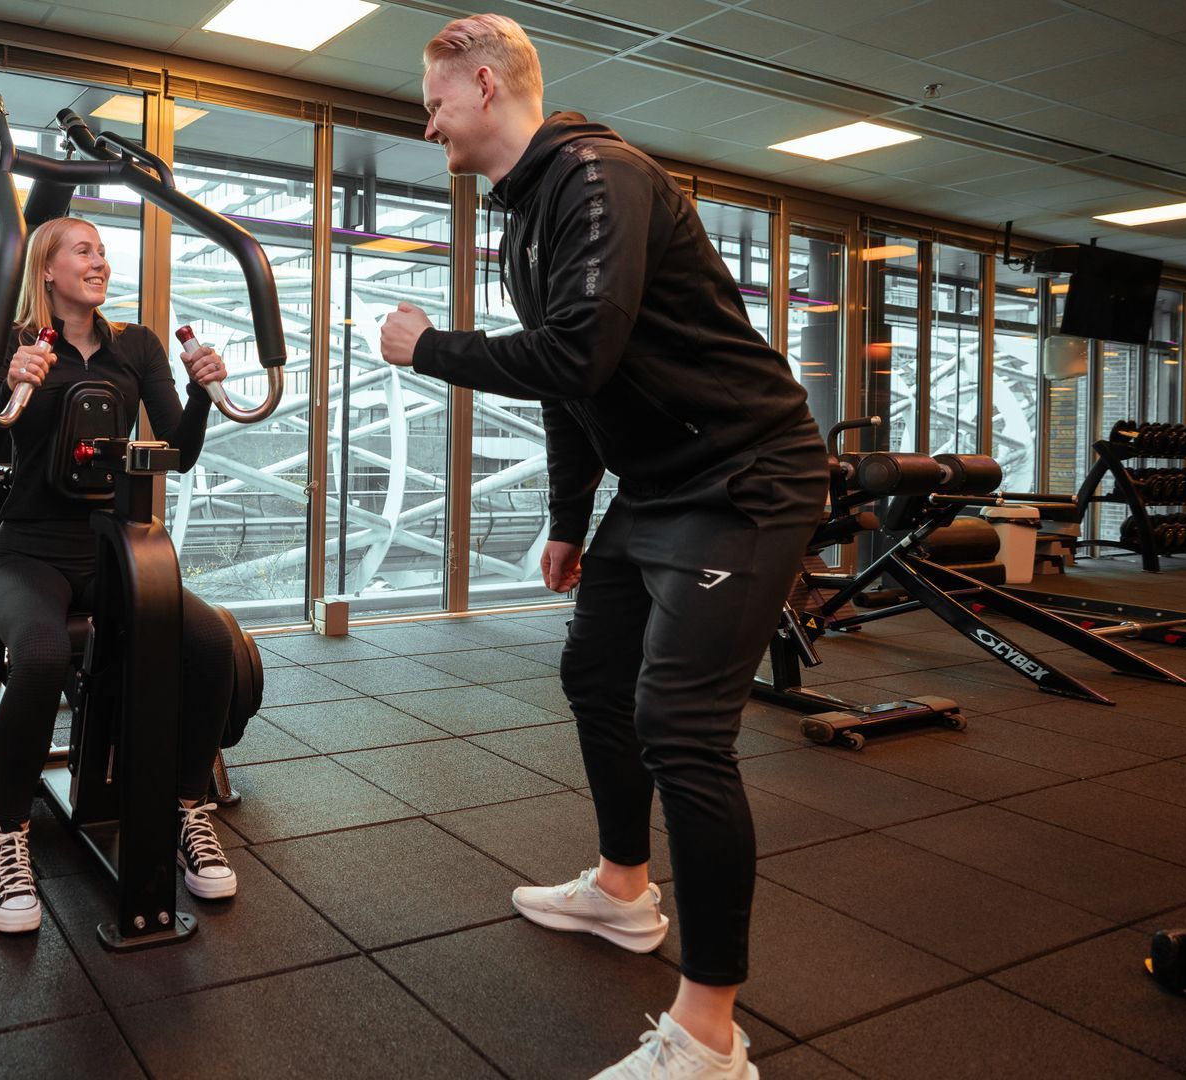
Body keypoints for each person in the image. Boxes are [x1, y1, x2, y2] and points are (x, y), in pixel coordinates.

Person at [380, 15, 827, 1080]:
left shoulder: (598, 179)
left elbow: (577, 349)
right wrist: (572, 521)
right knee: (593, 672)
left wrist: (427, 348)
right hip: (662, 487)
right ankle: (624, 891)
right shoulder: (525, 213)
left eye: (435, 99)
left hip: (749, 475)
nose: (427, 117)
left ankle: (710, 1035)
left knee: (680, 727)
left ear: (484, 86)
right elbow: (566, 382)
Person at [0, 215, 239, 934]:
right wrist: (3, 391)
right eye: (84, 250)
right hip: (28, 550)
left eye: (104, 253)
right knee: (46, 653)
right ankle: (9, 838)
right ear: (47, 270)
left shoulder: (136, 347)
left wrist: (201, 391)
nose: (101, 261)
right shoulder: (15, 346)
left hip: (112, 549)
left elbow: (178, 452)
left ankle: (187, 809)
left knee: (209, 644)